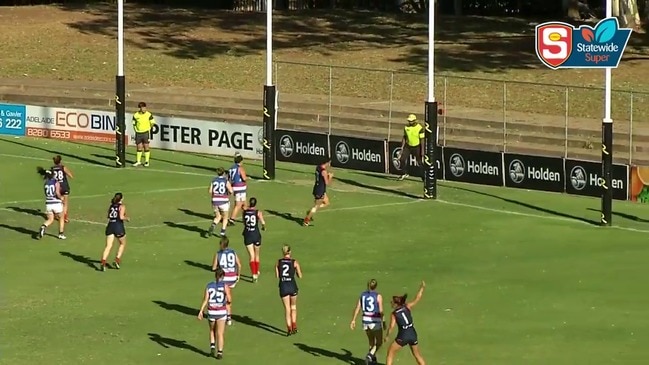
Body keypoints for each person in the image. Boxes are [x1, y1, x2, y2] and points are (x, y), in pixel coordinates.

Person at [384, 281, 427, 365]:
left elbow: (391, 327)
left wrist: (387, 336)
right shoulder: (407, 306)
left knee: (391, 351)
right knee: (417, 355)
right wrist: (422, 288)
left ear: (396, 304)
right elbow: (417, 299)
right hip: (412, 333)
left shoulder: (394, 314)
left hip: (403, 335)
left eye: (392, 302)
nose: (391, 303)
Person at [197, 267, 232, 359]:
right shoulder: (225, 286)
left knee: (212, 330)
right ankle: (219, 352)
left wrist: (201, 311)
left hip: (211, 311)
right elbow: (229, 299)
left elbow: (205, 300)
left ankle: (212, 346)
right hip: (221, 312)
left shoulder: (209, 286)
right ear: (223, 276)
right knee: (220, 333)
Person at [350, 279, 385, 365]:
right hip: (375, 321)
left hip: (365, 321)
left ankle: (373, 361)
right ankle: (369, 356)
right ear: (376, 286)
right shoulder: (378, 296)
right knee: (379, 342)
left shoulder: (363, 295)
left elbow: (358, 308)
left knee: (371, 341)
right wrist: (383, 322)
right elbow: (381, 311)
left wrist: (353, 320)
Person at [212, 236, 241, 326]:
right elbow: (239, 265)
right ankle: (228, 316)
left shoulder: (218, 253)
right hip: (232, 277)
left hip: (223, 277)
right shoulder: (233, 252)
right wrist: (238, 275)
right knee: (228, 295)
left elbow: (213, 267)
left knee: (225, 296)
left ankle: (225, 315)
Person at [276, 245, 302, 336]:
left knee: (287, 309)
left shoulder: (278, 262)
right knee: (293, 306)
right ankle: (294, 325)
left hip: (283, 286)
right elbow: (300, 275)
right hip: (292, 285)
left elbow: (277, 275)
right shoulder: (294, 262)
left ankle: (289, 328)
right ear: (290, 252)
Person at [100, 193, 130, 271]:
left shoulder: (111, 205)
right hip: (118, 226)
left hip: (110, 226)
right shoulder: (122, 206)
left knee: (108, 246)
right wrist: (127, 218)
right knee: (122, 243)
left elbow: (108, 216)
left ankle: (103, 262)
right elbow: (121, 217)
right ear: (121, 199)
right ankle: (117, 260)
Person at [36, 167, 66, 240]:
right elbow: (57, 193)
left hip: (48, 203)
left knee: (50, 219)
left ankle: (43, 226)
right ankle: (61, 234)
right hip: (56, 203)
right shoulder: (56, 182)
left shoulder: (45, 183)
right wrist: (61, 198)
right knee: (61, 217)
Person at [303, 158, 333, 226]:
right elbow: (327, 183)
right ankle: (307, 220)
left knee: (327, 202)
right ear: (327, 163)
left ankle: (310, 211)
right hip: (320, 190)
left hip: (317, 188)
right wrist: (330, 177)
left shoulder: (318, 167)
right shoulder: (323, 172)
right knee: (316, 206)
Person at [242, 197, 266, 282]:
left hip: (248, 234)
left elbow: (244, 222)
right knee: (257, 255)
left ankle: (254, 274)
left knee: (251, 256)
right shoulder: (258, 212)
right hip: (256, 234)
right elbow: (263, 223)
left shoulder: (244, 212)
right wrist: (263, 227)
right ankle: (256, 270)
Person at [206, 167, 234, 238]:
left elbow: (210, 191)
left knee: (218, 216)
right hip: (223, 201)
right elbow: (231, 191)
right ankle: (222, 232)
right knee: (225, 217)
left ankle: (213, 225)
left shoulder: (213, 180)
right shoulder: (225, 181)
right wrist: (228, 195)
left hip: (214, 201)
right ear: (224, 173)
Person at [397, 114, 425, 181]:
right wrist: (402, 147)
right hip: (408, 146)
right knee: (402, 159)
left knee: (420, 162)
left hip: (417, 146)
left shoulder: (420, 127)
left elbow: (422, 140)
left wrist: (422, 150)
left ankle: (424, 176)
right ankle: (404, 173)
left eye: (411, 121)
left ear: (414, 121)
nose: (410, 122)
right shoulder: (406, 127)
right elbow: (404, 137)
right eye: (409, 121)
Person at [132, 102, 156, 167]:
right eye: (143, 108)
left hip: (145, 132)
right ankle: (138, 161)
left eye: (145, 107)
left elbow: (153, 122)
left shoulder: (148, 114)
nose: (144, 109)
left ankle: (146, 161)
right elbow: (133, 123)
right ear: (140, 108)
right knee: (139, 147)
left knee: (146, 146)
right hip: (138, 133)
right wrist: (136, 129)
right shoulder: (136, 115)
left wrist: (149, 127)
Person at [50, 155, 74, 223]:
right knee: (65, 203)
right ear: (60, 161)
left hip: (56, 186)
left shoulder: (52, 169)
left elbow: (50, 178)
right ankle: (65, 217)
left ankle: (57, 214)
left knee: (58, 201)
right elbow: (71, 176)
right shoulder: (63, 167)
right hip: (64, 186)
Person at [227, 152, 248, 226]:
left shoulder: (231, 168)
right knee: (238, 205)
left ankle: (246, 218)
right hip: (240, 187)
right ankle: (232, 219)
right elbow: (244, 178)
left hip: (234, 186)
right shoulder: (240, 168)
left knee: (245, 205)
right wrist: (247, 178)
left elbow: (228, 178)